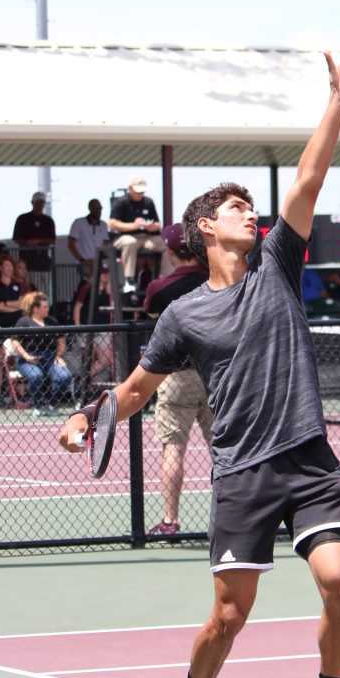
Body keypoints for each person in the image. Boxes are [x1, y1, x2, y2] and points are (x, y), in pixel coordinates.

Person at [59, 36, 340, 678]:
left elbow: (311, 174)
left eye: (251, 207)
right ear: (206, 227)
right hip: (243, 472)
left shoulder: (276, 263)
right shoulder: (182, 315)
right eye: (237, 207)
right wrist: (89, 413)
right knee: (230, 614)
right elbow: (138, 388)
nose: (251, 214)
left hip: (311, 457)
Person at [142, 223, 213, 537]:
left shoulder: (160, 288)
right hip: (216, 374)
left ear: (170, 253)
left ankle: (170, 520)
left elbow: (149, 313)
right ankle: (243, 516)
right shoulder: (216, 278)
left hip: (176, 373)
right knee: (228, 450)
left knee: (173, 448)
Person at [11, 292, 74, 416]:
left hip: (50, 357)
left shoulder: (51, 321)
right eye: (44, 306)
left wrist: (58, 356)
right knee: (36, 376)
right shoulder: (24, 322)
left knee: (64, 376)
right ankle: (38, 405)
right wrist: (26, 356)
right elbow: (15, 341)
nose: (47, 308)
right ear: (35, 309)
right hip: (28, 358)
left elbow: (61, 341)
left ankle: (51, 403)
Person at [108, 176, 172, 293]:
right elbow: (112, 224)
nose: (139, 194)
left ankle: (166, 278)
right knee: (129, 242)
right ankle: (129, 280)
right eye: (137, 191)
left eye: (142, 191)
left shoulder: (148, 202)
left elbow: (158, 224)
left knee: (165, 242)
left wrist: (150, 226)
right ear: (130, 188)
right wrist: (134, 225)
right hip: (124, 237)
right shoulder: (121, 202)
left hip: (146, 237)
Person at [0, 256, 24, 404]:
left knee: (19, 358)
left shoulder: (19, 285)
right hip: (1, 327)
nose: (9, 268)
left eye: (11, 266)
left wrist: (5, 305)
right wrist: (12, 305)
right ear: (1, 268)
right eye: (7, 266)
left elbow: (22, 304)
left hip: (17, 325)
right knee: (0, 360)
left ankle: (20, 393)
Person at [13, 192, 56, 293]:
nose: (40, 205)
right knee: (29, 291)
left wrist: (39, 241)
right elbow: (16, 238)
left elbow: (52, 239)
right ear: (32, 203)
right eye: (37, 202)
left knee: (44, 292)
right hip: (28, 264)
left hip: (43, 263)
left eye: (42, 202)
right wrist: (28, 243)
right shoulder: (22, 219)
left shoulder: (48, 221)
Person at [68, 198, 110, 281]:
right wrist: (82, 260)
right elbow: (71, 244)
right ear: (90, 209)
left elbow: (105, 243)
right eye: (95, 208)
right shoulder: (78, 223)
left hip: (99, 263)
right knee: (91, 282)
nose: (98, 211)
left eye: (100, 208)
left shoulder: (104, 225)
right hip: (84, 264)